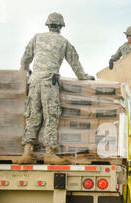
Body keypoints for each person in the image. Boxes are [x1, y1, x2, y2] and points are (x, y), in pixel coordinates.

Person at [18, 12, 95, 165]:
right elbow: (75, 65)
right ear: (60, 26)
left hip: (34, 82)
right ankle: (50, 153)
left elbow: (25, 58)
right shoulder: (63, 42)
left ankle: (27, 151)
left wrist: (26, 69)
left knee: (33, 116)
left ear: (48, 25)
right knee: (50, 116)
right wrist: (85, 77)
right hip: (49, 83)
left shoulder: (36, 37)